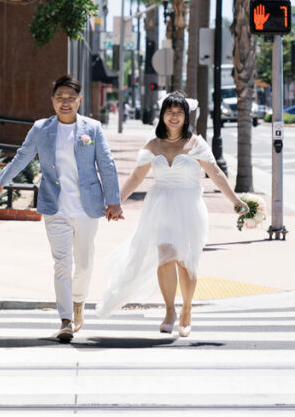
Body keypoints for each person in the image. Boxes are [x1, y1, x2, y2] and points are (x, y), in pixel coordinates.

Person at [96, 91, 247, 337]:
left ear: (186, 116)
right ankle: (170, 310)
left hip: (189, 207)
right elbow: (136, 177)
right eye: (170, 111)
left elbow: (217, 173)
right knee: (165, 257)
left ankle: (187, 309)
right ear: (162, 115)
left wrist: (235, 200)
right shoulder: (153, 144)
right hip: (160, 206)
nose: (174, 116)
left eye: (179, 112)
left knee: (186, 262)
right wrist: (115, 203)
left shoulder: (196, 143)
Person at [0, 75, 123, 342]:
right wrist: (2, 181)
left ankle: (78, 302)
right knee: (62, 264)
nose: (65, 102)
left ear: (79, 101)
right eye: (60, 97)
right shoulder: (41, 129)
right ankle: (65, 320)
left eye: (71, 98)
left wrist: (114, 201)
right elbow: (22, 156)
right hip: (55, 207)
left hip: (86, 208)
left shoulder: (92, 128)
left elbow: (106, 165)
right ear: (52, 100)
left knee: (84, 265)